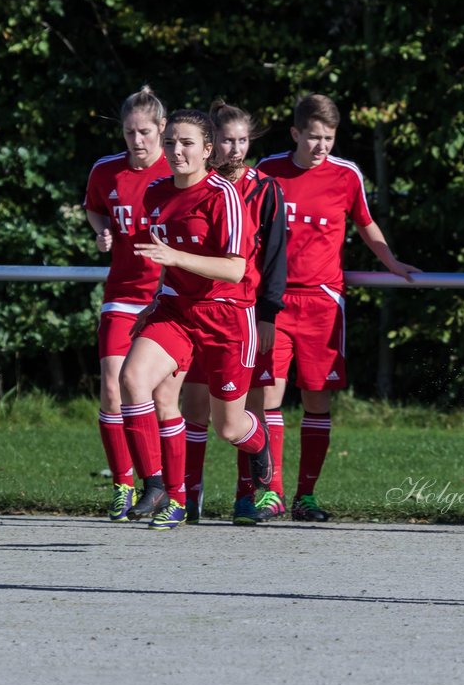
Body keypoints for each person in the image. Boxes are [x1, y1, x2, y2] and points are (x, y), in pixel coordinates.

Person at [256, 94, 418, 521]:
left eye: (329, 138)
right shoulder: (267, 171)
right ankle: (269, 492)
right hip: (274, 301)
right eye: (313, 137)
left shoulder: (346, 175)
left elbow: (366, 224)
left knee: (317, 400)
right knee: (269, 397)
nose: (322, 146)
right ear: (295, 133)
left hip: (322, 304)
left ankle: (305, 496)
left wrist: (392, 262)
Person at [119, 109, 273, 530]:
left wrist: (175, 257)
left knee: (228, 427)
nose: (176, 151)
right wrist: (156, 298)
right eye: (170, 143)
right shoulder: (155, 192)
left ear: (207, 150)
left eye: (187, 143)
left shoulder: (222, 194)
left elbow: (235, 269)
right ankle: (156, 487)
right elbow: (168, 261)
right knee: (132, 380)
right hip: (176, 311)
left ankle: (257, 441)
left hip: (227, 316)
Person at [179, 101, 287, 524]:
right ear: (210, 145)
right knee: (194, 405)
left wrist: (268, 315)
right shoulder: (191, 186)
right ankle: (188, 495)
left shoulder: (265, 189)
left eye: (243, 140)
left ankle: (249, 495)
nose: (236, 149)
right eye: (227, 140)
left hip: (243, 312)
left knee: (242, 410)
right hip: (195, 311)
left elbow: (276, 258)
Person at [83, 86, 174, 522]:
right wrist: (101, 230)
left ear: (161, 129)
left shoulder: (176, 171)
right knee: (112, 385)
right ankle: (123, 483)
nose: (136, 141)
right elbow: (95, 209)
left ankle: (169, 489)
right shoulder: (106, 170)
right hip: (122, 294)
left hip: (168, 298)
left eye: (144, 132)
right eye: (128, 132)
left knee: (160, 396)